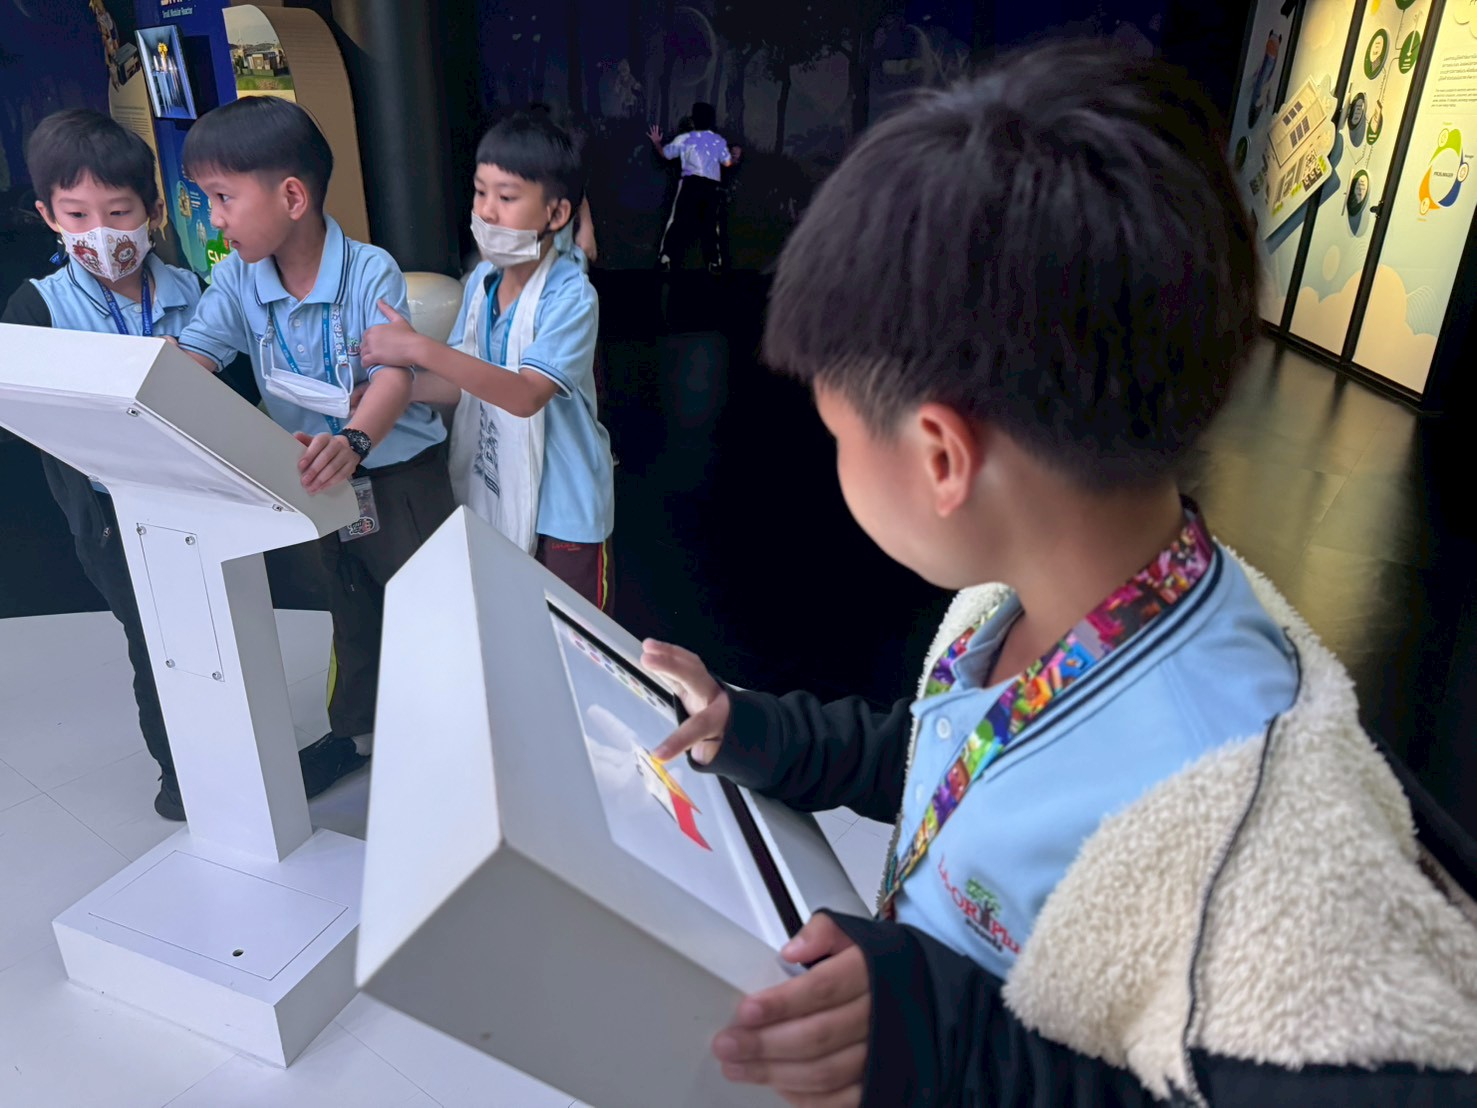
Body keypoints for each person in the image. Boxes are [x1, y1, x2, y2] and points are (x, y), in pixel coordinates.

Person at [642, 43, 1477, 1106]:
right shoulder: (1017, 612)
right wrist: (761, 731)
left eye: (837, 435)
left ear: (941, 457)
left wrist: (949, 1042)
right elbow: (955, 755)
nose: (837, 462)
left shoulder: (1257, 849)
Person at [172, 96, 453, 797]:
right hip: (315, 476)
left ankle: (457, 737)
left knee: (426, 602)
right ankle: (356, 732)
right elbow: (196, 353)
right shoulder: (237, 278)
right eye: (205, 200)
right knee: (348, 600)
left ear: (292, 197)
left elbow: (394, 373)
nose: (213, 219)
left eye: (222, 198)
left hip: (397, 472)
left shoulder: (368, 271)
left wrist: (355, 440)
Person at [2, 109, 206, 821]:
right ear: (47, 217)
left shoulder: (193, 293)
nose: (101, 232)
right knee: (153, 643)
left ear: (153, 208)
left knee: (214, 630)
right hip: (113, 516)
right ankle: (179, 776)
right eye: (77, 215)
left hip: (200, 495)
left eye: (118, 212)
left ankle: (237, 751)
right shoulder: (36, 307)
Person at [362, 112, 614, 609]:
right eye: (480, 192)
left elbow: (524, 395)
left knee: (572, 639)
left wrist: (418, 348)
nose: (487, 212)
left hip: (564, 514)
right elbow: (465, 382)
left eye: (507, 197)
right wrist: (397, 390)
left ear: (557, 214)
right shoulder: (481, 284)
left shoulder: (571, 297)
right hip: (497, 488)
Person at [649, 102, 740, 274]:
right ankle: (714, 262)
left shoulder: (685, 139)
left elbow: (665, 154)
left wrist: (657, 142)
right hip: (709, 187)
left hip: (692, 185)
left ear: (694, 119)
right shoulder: (717, 141)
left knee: (678, 222)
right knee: (710, 224)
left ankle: (665, 258)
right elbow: (728, 163)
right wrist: (735, 157)